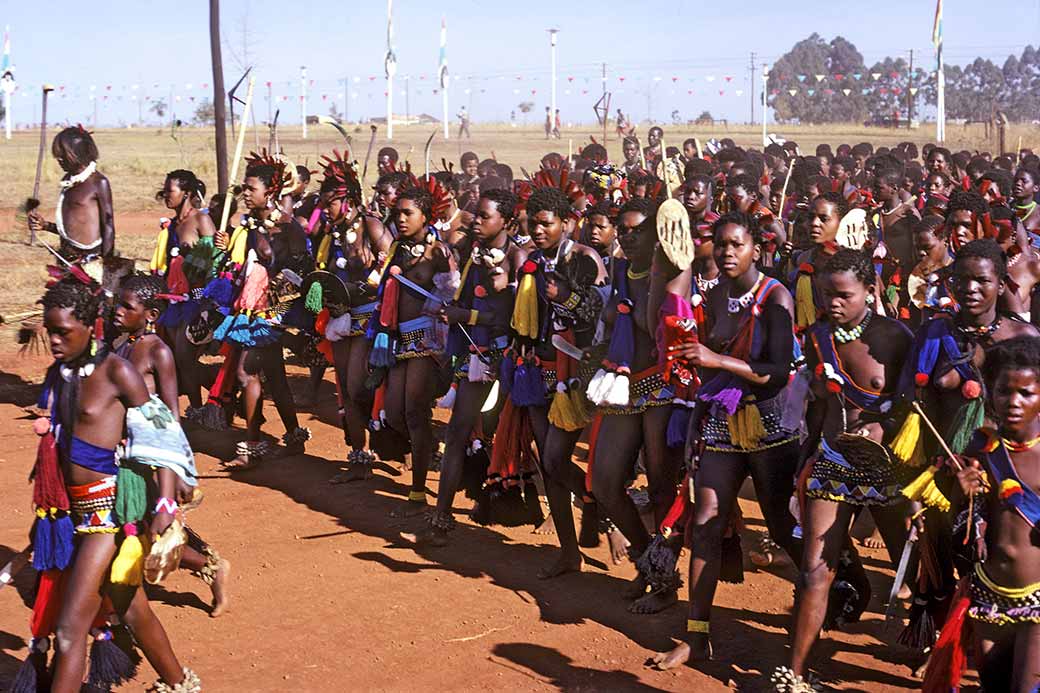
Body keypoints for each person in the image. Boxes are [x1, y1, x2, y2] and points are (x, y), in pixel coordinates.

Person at [21, 277, 199, 692]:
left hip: (107, 516)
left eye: (63, 332)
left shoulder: (116, 371)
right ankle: (179, 683)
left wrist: (166, 503)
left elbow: (163, 435)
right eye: (51, 333)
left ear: (89, 324)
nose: (55, 342)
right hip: (72, 514)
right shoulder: (63, 372)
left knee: (68, 631)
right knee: (128, 606)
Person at [653, 212, 802, 668]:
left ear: (757, 249)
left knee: (780, 525)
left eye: (737, 244)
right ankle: (696, 636)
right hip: (719, 421)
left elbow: (777, 373)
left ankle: (834, 582)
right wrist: (698, 401)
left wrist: (715, 358)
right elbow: (706, 365)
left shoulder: (776, 296)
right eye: (720, 245)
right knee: (706, 524)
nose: (727, 252)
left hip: (771, 422)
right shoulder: (715, 296)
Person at [781, 249, 915, 687]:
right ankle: (795, 675)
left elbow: (914, 406)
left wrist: (889, 433)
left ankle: (934, 652)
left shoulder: (894, 337)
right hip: (834, 462)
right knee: (814, 571)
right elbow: (818, 409)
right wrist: (808, 457)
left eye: (844, 295)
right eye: (826, 295)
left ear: (871, 291)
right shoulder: (817, 336)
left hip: (889, 467)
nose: (833, 304)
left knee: (910, 568)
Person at [408, 188, 527, 544]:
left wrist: (467, 314)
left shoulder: (518, 257)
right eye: (475, 215)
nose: (476, 222)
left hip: (511, 358)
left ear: (505, 220)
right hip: (476, 356)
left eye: (484, 216)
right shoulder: (475, 252)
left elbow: (513, 317)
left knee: (527, 437)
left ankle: (567, 509)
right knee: (459, 431)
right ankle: (442, 517)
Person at [923, 336, 1040, 693]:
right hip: (988, 596)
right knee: (994, 685)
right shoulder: (981, 447)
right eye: (1005, 391)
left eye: (1027, 393)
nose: (1014, 402)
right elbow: (957, 525)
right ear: (990, 392)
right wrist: (962, 490)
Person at [112, 273, 231, 617]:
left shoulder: (158, 351)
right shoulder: (123, 346)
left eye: (126, 306)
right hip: (124, 453)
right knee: (139, 528)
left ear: (150, 314)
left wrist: (175, 474)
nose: (118, 311)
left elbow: (171, 419)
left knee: (151, 530)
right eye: (118, 303)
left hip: (152, 456)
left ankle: (210, 566)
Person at [587, 197, 683, 612]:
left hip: (664, 383)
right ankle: (648, 562)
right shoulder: (624, 270)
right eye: (621, 229)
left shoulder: (674, 273)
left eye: (636, 229)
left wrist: (658, 276)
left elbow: (652, 327)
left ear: (656, 233)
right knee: (605, 482)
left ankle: (665, 582)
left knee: (662, 486)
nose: (626, 235)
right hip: (626, 381)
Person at [212, 155, 311, 469]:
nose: (245, 193)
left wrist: (279, 313)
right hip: (250, 307)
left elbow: (298, 271)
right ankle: (294, 435)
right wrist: (228, 243)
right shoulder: (249, 225)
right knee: (276, 378)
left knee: (245, 372)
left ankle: (253, 445)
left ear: (270, 192)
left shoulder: (287, 228)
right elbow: (245, 263)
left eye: (250, 188)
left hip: (271, 312)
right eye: (244, 187)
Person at [367, 187, 453, 516]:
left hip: (426, 340)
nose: (401, 219)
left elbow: (450, 296)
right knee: (395, 412)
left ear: (426, 216)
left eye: (409, 213)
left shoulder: (439, 252)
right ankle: (430, 449)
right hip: (396, 338)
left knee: (415, 412)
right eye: (398, 213)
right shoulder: (398, 249)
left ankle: (418, 492)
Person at [149, 170, 218, 420]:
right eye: (165, 190)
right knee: (176, 358)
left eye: (171, 191)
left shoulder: (201, 220)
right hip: (173, 299)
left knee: (185, 355)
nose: (166, 195)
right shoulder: (171, 226)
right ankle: (203, 401)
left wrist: (205, 301)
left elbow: (215, 263)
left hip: (197, 299)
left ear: (186, 193)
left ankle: (205, 405)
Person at [28, 126, 115, 261]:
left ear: (78, 153)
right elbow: (73, 227)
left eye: (63, 155)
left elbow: (108, 226)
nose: (59, 160)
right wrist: (46, 225)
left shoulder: (98, 183)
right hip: (67, 257)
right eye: (58, 156)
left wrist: (108, 265)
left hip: (91, 260)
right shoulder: (68, 180)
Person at [1013, 166, 1040, 233]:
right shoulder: (1006, 208)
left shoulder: (1038, 213)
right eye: (1016, 181)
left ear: (1036, 188)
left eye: (1024, 181)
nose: (1018, 183)